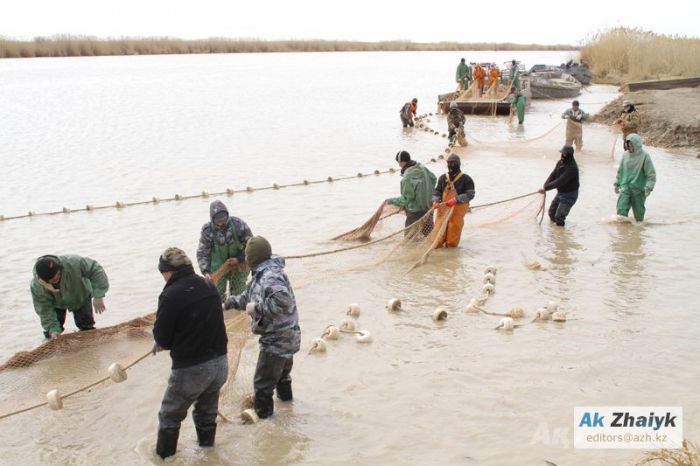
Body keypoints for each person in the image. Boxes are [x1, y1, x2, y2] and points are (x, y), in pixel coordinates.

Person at [153, 247, 228, 459]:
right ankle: (208, 454)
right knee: (206, 415)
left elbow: (164, 339)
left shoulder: (169, 294)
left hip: (192, 369)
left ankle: (164, 459)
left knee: (169, 417)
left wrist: (158, 340)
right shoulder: (208, 284)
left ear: (168, 272)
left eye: (163, 273)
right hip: (220, 365)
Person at [224, 236, 301, 420]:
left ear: (252, 258)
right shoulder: (263, 273)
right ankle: (288, 410)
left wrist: (256, 309)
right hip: (288, 338)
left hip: (277, 341)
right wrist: (226, 304)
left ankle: (267, 428)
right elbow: (246, 296)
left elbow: (282, 301)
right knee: (282, 378)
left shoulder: (270, 276)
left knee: (262, 386)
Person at [30, 254, 109, 339]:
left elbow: (96, 270)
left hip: (80, 295)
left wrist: (98, 295)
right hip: (56, 304)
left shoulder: (74, 262)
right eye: (53, 279)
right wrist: (52, 328)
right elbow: (44, 310)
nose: (57, 277)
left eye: (58, 274)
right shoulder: (37, 286)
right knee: (52, 334)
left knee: (86, 328)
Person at [197, 200, 253, 301]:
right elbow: (202, 253)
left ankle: (239, 312)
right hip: (218, 267)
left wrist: (239, 258)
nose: (221, 223)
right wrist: (206, 272)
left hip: (239, 263)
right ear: (212, 219)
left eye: (223, 219)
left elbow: (251, 246)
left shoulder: (239, 225)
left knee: (239, 292)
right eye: (218, 221)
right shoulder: (207, 231)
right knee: (217, 295)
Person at [386, 150, 437, 232]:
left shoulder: (407, 178)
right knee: (429, 236)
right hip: (428, 208)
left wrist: (391, 201)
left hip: (415, 212)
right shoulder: (422, 167)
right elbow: (434, 178)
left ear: (401, 162)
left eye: (399, 163)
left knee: (410, 240)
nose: (399, 165)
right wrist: (427, 192)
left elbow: (406, 199)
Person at [431, 154, 475, 247]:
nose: (451, 165)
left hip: (457, 211)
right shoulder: (443, 178)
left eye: (453, 163)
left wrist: (456, 199)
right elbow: (437, 191)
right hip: (443, 210)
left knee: (452, 241)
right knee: (438, 239)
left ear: (458, 164)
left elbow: (470, 194)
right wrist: (435, 200)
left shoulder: (466, 179)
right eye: (449, 163)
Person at [614, 133, 656, 222]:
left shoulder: (645, 156)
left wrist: (648, 188)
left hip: (638, 190)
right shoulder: (625, 155)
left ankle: (638, 231)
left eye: (632, 145)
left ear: (637, 145)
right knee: (620, 211)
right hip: (625, 187)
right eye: (628, 145)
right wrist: (616, 184)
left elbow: (651, 175)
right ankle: (623, 233)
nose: (630, 147)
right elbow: (620, 171)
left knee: (639, 216)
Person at [538, 145, 580, 227]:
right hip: (561, 192)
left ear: (569, 155)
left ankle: (562, 238)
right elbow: (553, 175)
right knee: (551, 213)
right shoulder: (560, 163)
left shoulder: (572, 168)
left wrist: (546, 188)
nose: (562, 155)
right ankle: (555, 235)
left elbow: (560, 181)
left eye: (564, 154)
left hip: (569, 195)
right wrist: (545, 185)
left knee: (559, 217)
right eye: (562, 153)